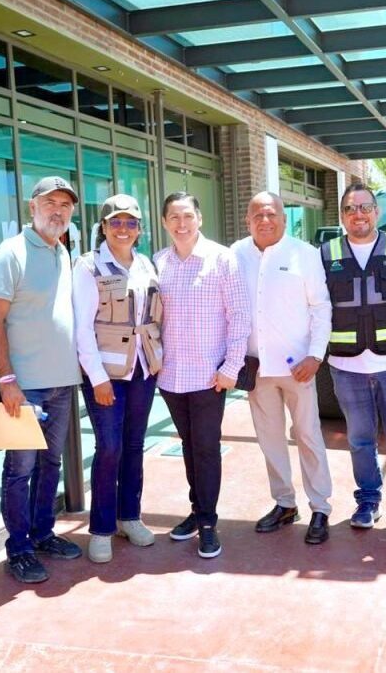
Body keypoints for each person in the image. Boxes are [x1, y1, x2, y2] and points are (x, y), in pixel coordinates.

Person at [0, 176, 84, 583]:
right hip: (24, 386)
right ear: (32, 207)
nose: (57, 211)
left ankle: (43, 534)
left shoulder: (63, 252)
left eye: (65, 205)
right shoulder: (10, 254)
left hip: (62, 382)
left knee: (50, 464)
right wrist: (7, 380)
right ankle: (19, 548)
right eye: (50, 203)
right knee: (19, 469)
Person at [322, 182, 386, 537]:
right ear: (342, 216)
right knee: (359, 440)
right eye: (351, 209)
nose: (358, 215)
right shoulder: (326, 253)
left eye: (365, 207)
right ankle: (368, 500)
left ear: (376, 212)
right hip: (346, 366)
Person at [232, 192, 333, 545]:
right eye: (257, 214)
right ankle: (285, 503)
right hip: (257, 369)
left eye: (271, 214)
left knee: (308, 435)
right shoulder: (236, 254)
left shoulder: (304, 254)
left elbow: (321, 307)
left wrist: (315, 356)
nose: (265, 220)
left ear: (284, 219)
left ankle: (320, 507)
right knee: (270, 439)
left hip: (298, 368)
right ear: (247, 219)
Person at [155, 192, 251, 559]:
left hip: (210, 376)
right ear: (165, 222)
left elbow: (239, 316)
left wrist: (231, 367)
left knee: (207, 448)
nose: (181, 224)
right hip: (171, 376)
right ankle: (197, 511)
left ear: (199, 219)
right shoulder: (159, 262)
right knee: (188, 445)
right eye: (174, 217)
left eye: (188, 216)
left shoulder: (221, 259)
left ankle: (209, 523)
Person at [73, 193, 162, 563]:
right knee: (109, 447)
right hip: (106, 375)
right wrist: (97, 378)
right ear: (104, 227)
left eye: (130, 222)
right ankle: (101, 529)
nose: (123, 229)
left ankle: (130, 517)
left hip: (142, 370)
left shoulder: (146, 265)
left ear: (139, 229)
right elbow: (82, 329)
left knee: (134, 445)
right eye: (115, 222)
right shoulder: (88, 267)